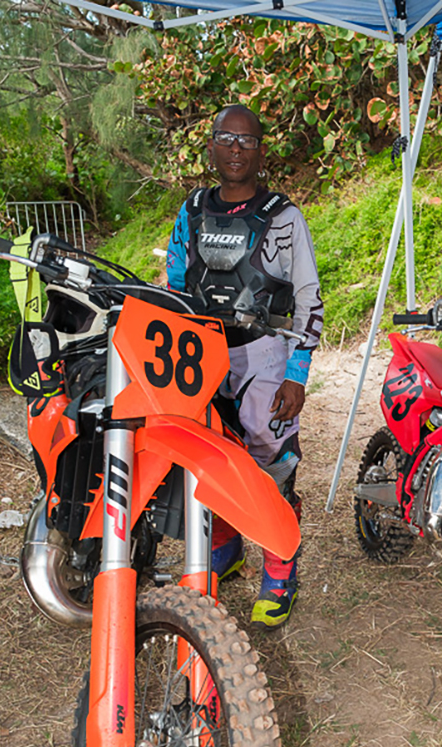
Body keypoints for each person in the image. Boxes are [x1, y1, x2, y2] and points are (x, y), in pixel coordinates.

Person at [166, 104, 323, 627]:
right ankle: (226, 545)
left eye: (247, 141)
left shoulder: (282, 217)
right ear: (211, 146)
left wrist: (297, 374)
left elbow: (308, 297)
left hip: (263, 355)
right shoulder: (192, 211)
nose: (236, 149)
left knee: (271, 466)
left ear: (261, 151)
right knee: (211, 457)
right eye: (226, 139)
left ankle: (279, 568)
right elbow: (173, 287)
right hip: (200, 355)